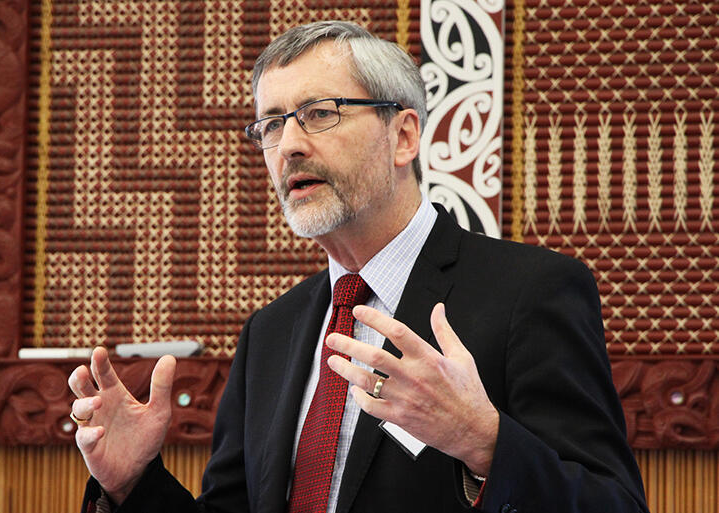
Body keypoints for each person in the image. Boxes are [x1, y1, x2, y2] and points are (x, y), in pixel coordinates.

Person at [69, 21, 649, 513]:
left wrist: (486, 444)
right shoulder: (271, 332)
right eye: (271, 124)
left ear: (403, 135)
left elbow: (612, 501)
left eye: (318, 113)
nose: (288, 145)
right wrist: (133, 484)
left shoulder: (532, 292)